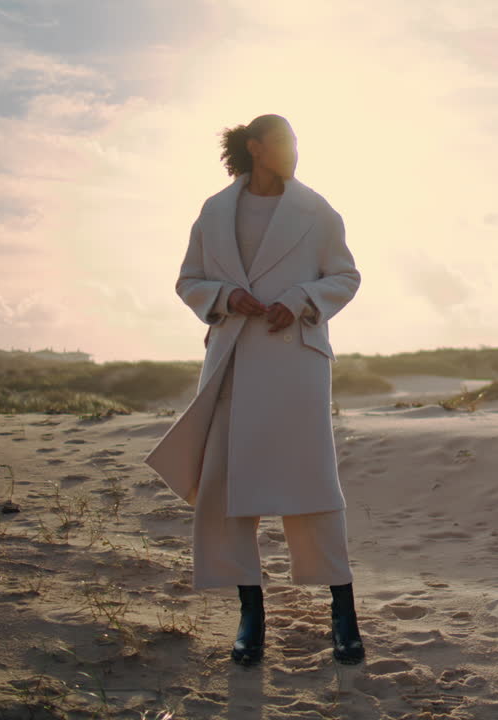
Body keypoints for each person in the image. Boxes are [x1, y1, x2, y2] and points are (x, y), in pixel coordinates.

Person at [143, 113, 364, 666]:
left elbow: (345, 276)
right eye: (285, 142)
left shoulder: (317, 211)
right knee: (228, 490)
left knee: (313, 488)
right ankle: (251, 615)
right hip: (235, 364)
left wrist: (300, 299)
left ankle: (343, 615)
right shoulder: (215, 212)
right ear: (256, 148)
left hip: (295, 366)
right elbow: (188, 280)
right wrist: (224, 295)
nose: (294, 151)